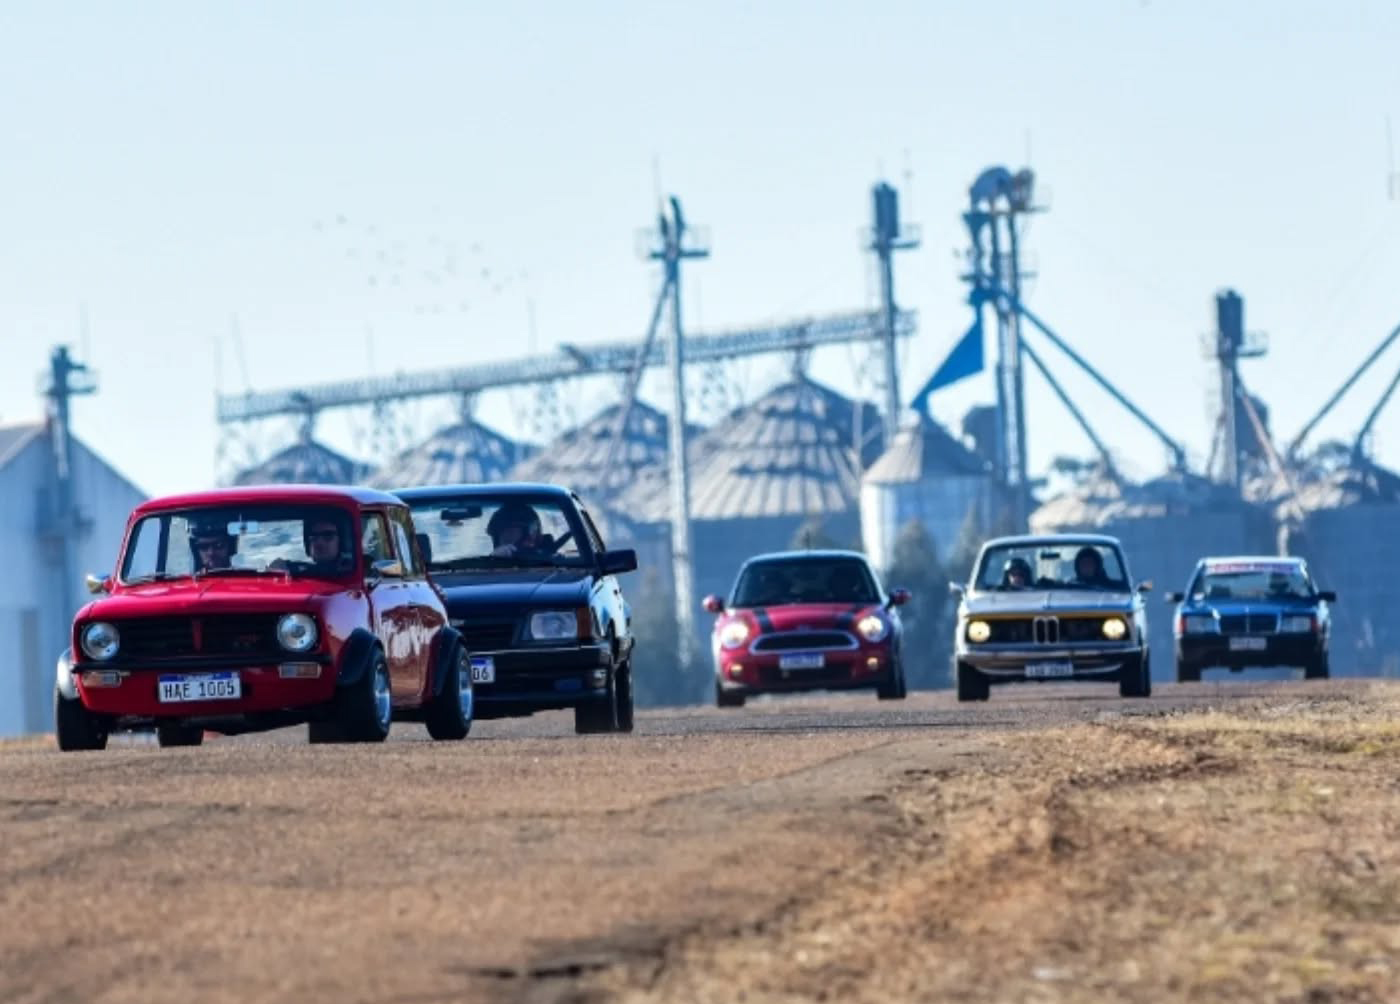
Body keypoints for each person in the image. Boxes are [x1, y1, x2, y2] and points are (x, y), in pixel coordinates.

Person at [486, 501, 553, 558]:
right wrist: (493, 559)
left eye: (511, 531)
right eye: (500, 531)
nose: (505, 536)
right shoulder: (489, 563)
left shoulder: (553, 562)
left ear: (528, 533)